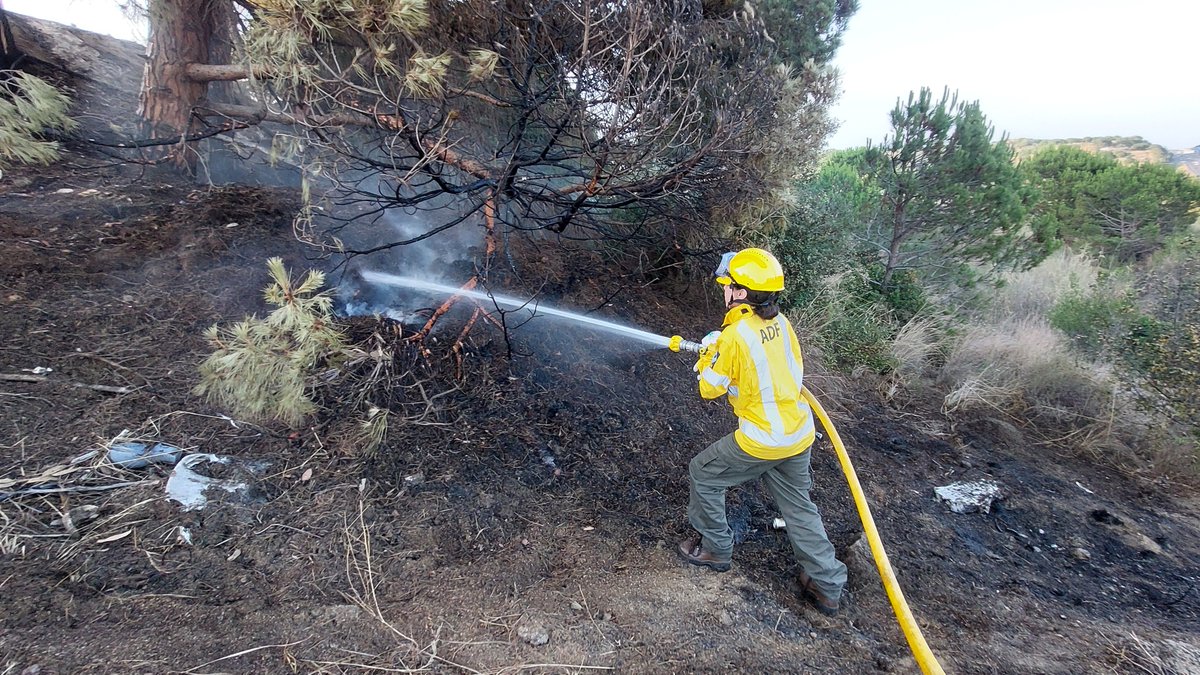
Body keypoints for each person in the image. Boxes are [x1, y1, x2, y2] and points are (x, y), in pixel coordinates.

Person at [678, 247, 848, 615]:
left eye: (727, 285)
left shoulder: (734, 336)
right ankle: (825, 582)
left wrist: (710, 354)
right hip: (798, 432)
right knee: (799, 507)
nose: (723, 290)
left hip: (762, 439)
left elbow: (709, 388)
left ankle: (715, 549)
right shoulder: (781, 323)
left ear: (740, 293)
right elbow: (784, 372)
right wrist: (722, 348)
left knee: (703, 472)